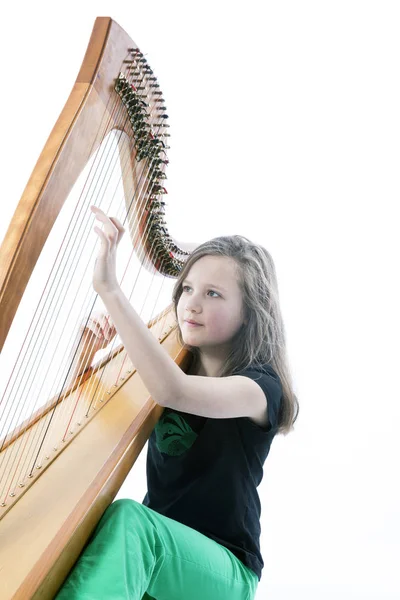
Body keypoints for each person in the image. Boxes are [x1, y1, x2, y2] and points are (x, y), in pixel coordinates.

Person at [55, 208, 299, 600]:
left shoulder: (259, 388)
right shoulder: (168, 365)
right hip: (155, 558)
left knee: (129, 520)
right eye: (187, 288)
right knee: (77, 533)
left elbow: (176, 392)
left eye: (213, 293)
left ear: (251, 311)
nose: (192, 304)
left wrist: (111, 290)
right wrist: (84, 358)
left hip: (223, 571)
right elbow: (81, 429)